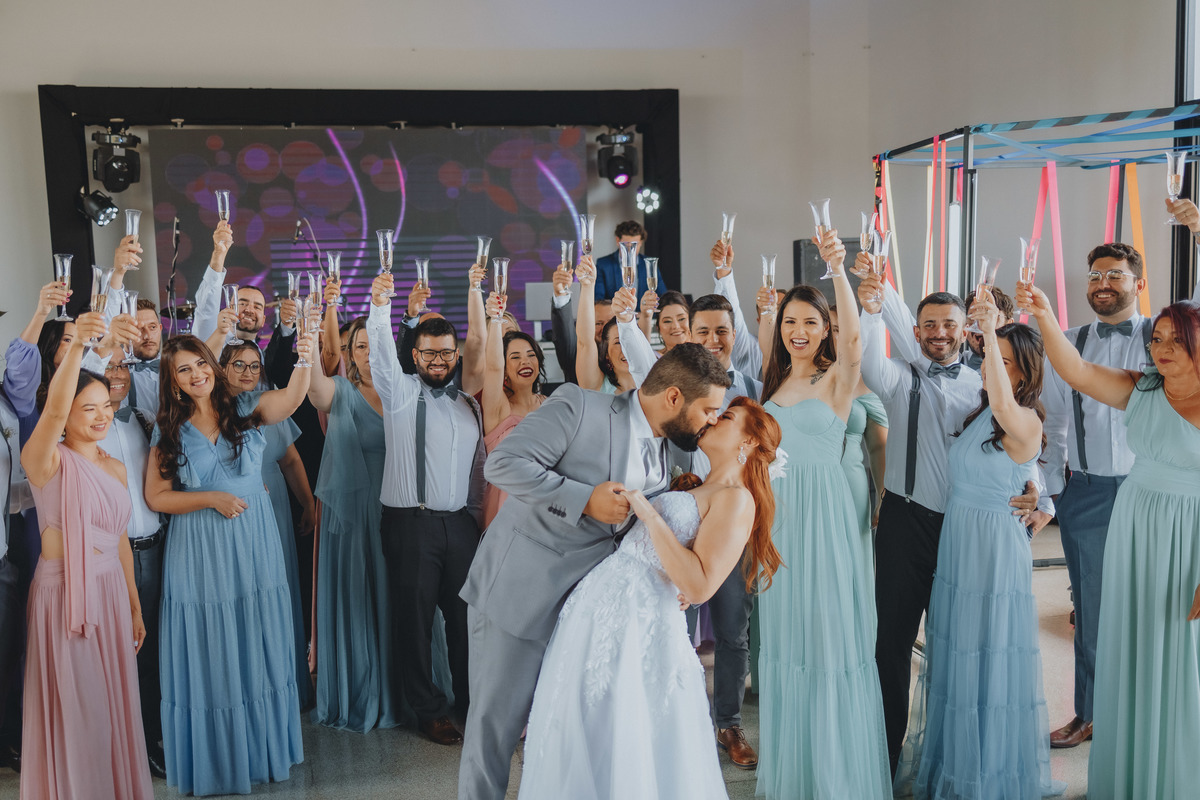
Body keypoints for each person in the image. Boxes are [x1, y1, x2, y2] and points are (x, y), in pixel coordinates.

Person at [458, 342, 730, 800]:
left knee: (562, 736)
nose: (713, 420)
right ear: (673, 397)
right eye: (708, 409)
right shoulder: (580, 406)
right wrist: (583, 498)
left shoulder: (676, 450)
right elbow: (503, 464)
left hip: (589, 618)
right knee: (495, 734)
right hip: (521, 596)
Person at [517, 397, 782, 799]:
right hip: (601, 608)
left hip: (642, 621)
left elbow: (699, 585)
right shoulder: (703, 485)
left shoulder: (737, 498)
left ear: (748, 441)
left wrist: (649, 513)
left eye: (726, 416)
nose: (713, 419)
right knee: (583, 722)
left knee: (629, 730)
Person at [855, 268, 1044, 776]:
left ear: (966, 331)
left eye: (949, 324)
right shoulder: (899, 377)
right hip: (906, 520)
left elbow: (1016, 438)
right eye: (929, 324)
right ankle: (884, 757)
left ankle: (954, 757)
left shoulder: (988, 384)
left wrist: (1034, 488)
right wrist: (872, 310)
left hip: (965, 531)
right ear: (915, 331)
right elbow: (869, 359)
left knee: (958, 643)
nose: (939, 333)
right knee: (892, 642)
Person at [1018, 284, 1200, 800]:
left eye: (1177, 340)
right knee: (1132, 641)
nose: (1162, 348)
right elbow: (1075, 370)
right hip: (1136, 527)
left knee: (1182, 647)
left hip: (1189, 534)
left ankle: (1178, 773)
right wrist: (1045, 315)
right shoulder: (1141, 389)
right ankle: (1132, 771)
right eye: (1157, 339)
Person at [894, 290, 1064, 798]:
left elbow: (1019, 435)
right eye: (993, 359)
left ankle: (987, 772)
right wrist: (1031, 486)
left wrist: (989, 333)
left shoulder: (1023, 418)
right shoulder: (980, 413)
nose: (993, 369)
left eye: (1005, 363)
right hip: (959, 542)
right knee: (956, 651)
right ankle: (955, 760)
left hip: (992, 549)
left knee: (987, 652)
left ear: (1024, 373)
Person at [754, 228, 891, 798]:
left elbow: (856, 342)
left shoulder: (838, 378)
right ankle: (799, 773)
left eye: (811, 322)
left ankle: (837, 778)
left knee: (830, 636)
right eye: (791, 321)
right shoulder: (773, 382)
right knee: (790, 641)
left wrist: (838, 270)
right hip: (782, 519)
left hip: (827, 518)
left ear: (827, 327)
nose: (799, 331)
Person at [145, 333, 311, 796]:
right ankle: (219, 760)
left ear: (212, 365)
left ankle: (260, 751)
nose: (196, 374)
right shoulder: (169, 428)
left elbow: (294, 398)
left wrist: (309, 351)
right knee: (212, 644)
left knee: (255, 635)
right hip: (199, 549)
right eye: (184, 370)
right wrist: (210, 498)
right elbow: (156, 496)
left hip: (254, 542)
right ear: (173, 382)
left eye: (200, 363)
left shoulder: (246, 408)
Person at [617, 288, 763, 769]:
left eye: (723, 330)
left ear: (734, 334)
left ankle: (729, 723)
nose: (714, 339)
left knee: (733, 631)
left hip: (728, 532)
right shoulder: (681, 391)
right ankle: (677, 718)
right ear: (690, 336)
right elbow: (644, 370)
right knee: (674, 628)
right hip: (681, 528)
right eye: (704, 331)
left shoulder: (749, 390)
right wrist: (627, 321)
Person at [18, 310, 153, 799]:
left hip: (111, 591)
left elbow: (118, 539)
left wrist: (134, 604)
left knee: (114, 706)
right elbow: (52, 414)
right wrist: (81, 347)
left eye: (106, 407)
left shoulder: (114, 467)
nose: (102, 416)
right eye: (87, 408)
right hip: (64, 596)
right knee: (80, 711)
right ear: (64, 412)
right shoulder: (45, 460)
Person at [1039, 243, 1153, 749]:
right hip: (1086, 493)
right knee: (1091, 611)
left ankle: (1148, 718)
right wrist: (1055, 492)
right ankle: (1089, 714)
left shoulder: (1163, 336)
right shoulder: (1069, 342)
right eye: (1094, 275)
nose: (1102, 283)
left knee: (1157, 605)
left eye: (1114, 274)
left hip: (1150, 490)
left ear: (1138, 283)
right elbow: (1057, 423)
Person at [366, 271, 484, 746]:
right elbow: (380, 354)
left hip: (460, 525)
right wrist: (381, 307)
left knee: (466, 622)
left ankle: (471, 701)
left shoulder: (467, 404)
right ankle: (428, 710)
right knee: (414, 624)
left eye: (446, 353)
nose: (439, 361)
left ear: (456, 354)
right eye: (429, 353)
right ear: (414, 356)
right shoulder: (400, 394)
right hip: (410, 524)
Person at [307, 311, 403, 731]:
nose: (369, 353)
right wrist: (309, 342)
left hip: (400, 507)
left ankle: (406, 689)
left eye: (376, 345)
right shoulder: (342, 391)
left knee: (398, 595)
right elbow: (315, 391)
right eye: (361, 346)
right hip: (356, 512)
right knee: (362, 596)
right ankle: (364, 689)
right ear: (350, 354)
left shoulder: (404, 390)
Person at [219, 341, 315, 711]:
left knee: (279, 588)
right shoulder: (213, 409)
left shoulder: (268, 404)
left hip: (274, 504)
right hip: (236, 508)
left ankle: (288, 683)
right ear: (222, 368)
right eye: (238, 364)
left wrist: (307, 503)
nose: (247, 372)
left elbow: (290, 460)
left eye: (254, 365)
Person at [91, 335, 169, 780]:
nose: (118, 374)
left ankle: (150, 738)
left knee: (151, 651)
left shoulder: (142, 419)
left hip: (154, 549)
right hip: (110, 559)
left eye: (122, 366)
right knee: (118, 652)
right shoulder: (82, 432)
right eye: (108, 366)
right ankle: (121, 744)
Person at [0, 280, 67, 772]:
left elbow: (22, 368)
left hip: (5, 548)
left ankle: (11, 736)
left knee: (10, 646)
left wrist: (42, 312)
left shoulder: (9, 398)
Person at [828, 305, 888, 588]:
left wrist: (882, 498)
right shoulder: (798, 374)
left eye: (844, 330)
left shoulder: (868, 380)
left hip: (851, 487)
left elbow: (878, 448)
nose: (837, 337)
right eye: (832, 329)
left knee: (849, 568)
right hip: (804, 482)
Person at [479, 292, 546, 528]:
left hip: (546, 508)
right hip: (506, 510)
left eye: (530, 355)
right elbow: (493, 368)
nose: (525, 362)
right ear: (505, 367)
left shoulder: (551, 406)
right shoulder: (498, 406)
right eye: (515, 357)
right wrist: (496, 319)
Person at [574, 257, 637, 393]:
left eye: (629, 341)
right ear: (607, 355)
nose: (625, 348)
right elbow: (584, 342)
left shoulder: (654, 386)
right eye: (618, 342)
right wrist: (588, 286)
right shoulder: (596, 386)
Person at [551, 255, 616, 384]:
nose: (605, 328)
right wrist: (561, 294)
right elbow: (564, 333)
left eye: (610, 323)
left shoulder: (626, 357)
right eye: (598, 323)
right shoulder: (575, 354)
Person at [592, 220, 667, 302]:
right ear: (618, 241)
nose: (631, 250)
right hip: (614, 310)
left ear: (641, 243)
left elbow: (663, 297)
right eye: (627, 245)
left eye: (635, 245)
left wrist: (645, 309)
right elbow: (598, 301)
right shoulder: (603, 264)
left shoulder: (649, 264)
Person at [962, 285, 1015, 371]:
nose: (980, 325)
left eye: (990, 317)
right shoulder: (951, 365)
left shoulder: (1020, 367)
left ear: (1009, 325)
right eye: (974, 317)